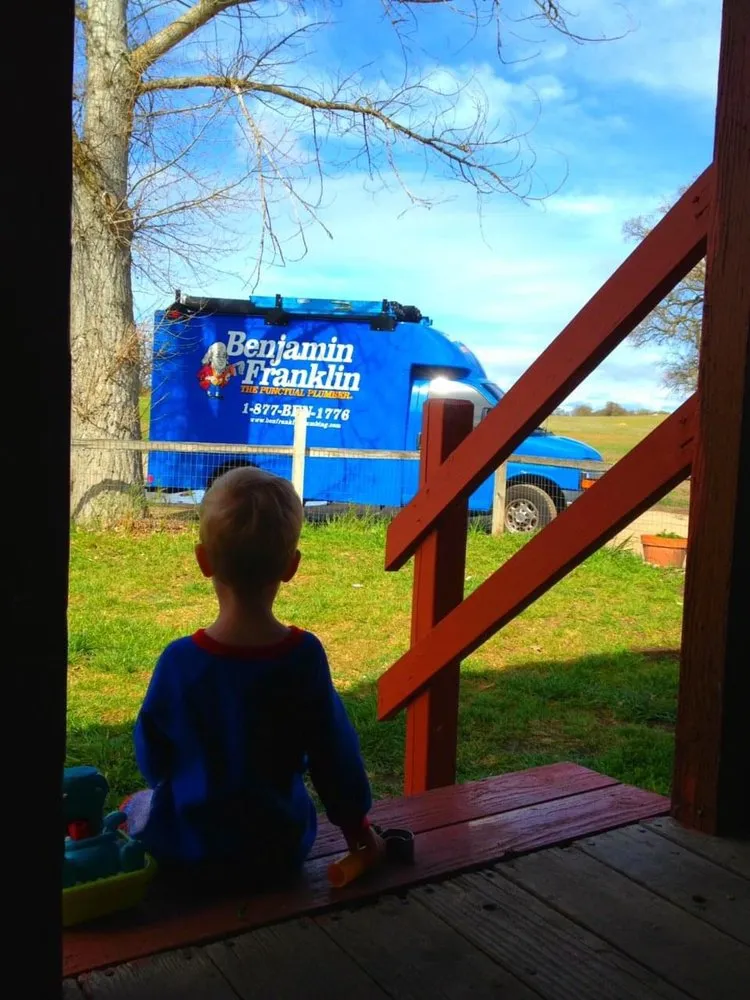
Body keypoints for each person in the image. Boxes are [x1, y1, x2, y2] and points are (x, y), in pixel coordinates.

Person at [121, 466, 380, 890]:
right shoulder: (303, 657)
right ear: (291, 567)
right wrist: (358, 830)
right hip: (277, 849)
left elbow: (153, 755)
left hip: (191, 848)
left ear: (203, 560)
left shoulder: (180, 661)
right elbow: (336, 756)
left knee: (135, 806)